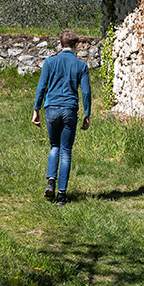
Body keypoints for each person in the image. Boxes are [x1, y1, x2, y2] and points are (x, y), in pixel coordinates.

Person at [31, 29, 91, 206]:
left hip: (51, 108)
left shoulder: (50, 62)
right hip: (70, 109)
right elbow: (86, 92)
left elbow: (42, 87)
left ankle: (51, 181)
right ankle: (62, 195)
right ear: (76, 45)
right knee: (66, 150)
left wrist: (36, 109)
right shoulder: (81, 66)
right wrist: (87, 113)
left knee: (54, 145)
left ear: (60, 44)